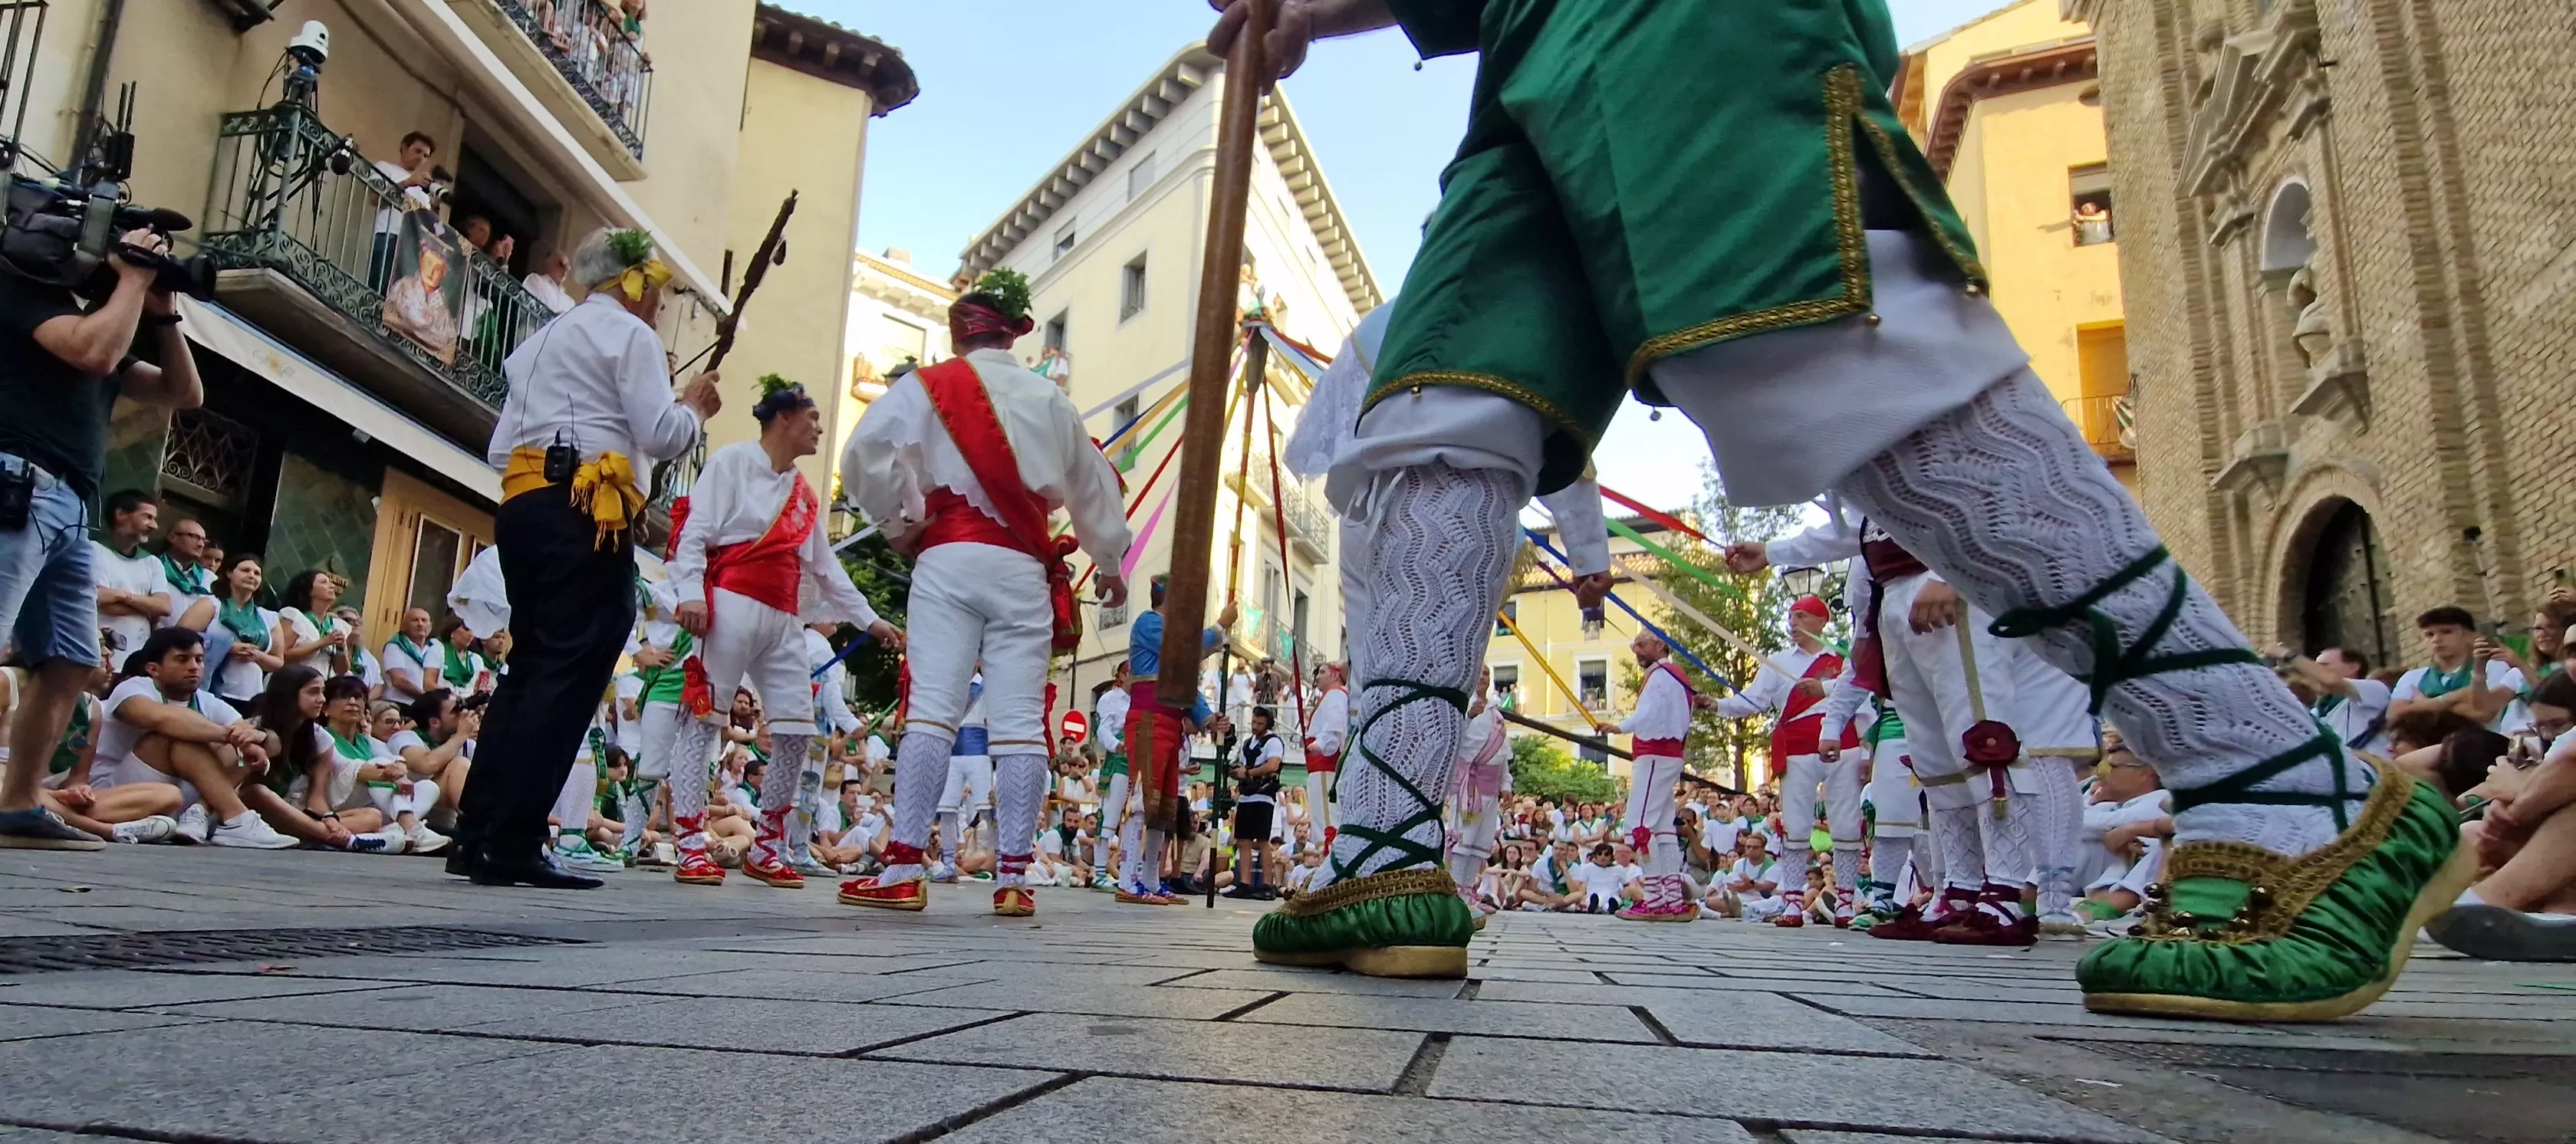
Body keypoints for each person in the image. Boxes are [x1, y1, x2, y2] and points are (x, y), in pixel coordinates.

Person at [1217, 0, 2461, 1016]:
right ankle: (1379, 849)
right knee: (1435, 410)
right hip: (1524, 50)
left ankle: (2280, 779)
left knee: (1785, 312)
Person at [836, 272, 1131, 917]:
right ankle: (1016, 878)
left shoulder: (925, 386)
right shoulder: (1049, 397)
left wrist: (903, 519)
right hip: (1022, 565)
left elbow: (863, 454)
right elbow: (1092, 481)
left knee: (934, 710)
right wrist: (1108, 561)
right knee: (1021, 723)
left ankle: (904, 869)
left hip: (947, 556)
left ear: (957, 332)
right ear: (1014, 331)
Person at [458, 225, 718, 889]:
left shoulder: (540, 339)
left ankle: (477, 833)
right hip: (583, 507)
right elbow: (660, 433)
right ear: (633, 286)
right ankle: (514, 840)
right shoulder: (630, 335)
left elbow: (498, 448)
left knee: (530, 668)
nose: (659, 305)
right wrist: (692, 408)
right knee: (568, 670)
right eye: (657, 292)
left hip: (523, 503)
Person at [663, 380, 900, 889]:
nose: (818, 428)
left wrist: (870, 619)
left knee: (798, 731)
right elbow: (695, 528)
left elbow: (826, 567)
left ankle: (768, 843)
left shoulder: (804, 495)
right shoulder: (729, 463)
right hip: (730, 603)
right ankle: (688, 842)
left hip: (783, 617)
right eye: (812, 417)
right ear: (784, 418)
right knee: (704, 723)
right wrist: (691, 594)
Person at [1710, 594, 1859, 926]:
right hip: (1796, 748)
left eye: (1802, 617)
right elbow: (1752, 701)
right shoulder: (1777, 662)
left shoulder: (1845, 659)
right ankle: (1792, 901)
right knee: (1795, 826)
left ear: (1822, 622)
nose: (1794, 624)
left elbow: (1861, 703)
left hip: (1844, 745)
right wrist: (1717, 705)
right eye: (1791, 617)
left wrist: (1867, 753)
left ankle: (1847, 900)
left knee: (1847, 824)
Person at [89, 628, 296, 848]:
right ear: (153, 669)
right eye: (182, 659)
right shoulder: (132, 688)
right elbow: (163, 720)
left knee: (248, 748)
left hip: (175, 794)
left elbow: (271, 743)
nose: (194, 666)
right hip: (114, 791)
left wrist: (258, 736)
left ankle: (201, 813)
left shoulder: (207, 700)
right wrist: (231, 736)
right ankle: (236, 818)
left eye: (199, 659)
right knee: (176, 737)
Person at [1104, 575, 1232, 906]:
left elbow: (1186, 687)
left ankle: (1149, 879)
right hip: (1147, 721)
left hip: (1170, 725)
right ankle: (1130, 880)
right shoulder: (1149, 623)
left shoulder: (1170, 636)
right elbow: (1182, 650)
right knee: (1140, 802)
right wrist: (1218, 628)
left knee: (1163, 808)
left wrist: (1208, 719)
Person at [1593, 633, 1699, 925]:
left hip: (1654, 754)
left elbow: (1648, 712)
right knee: (1663, 828)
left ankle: (1655, 899)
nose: (1636, 651)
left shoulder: (1663, 675)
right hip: (1666, 755)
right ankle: (1672, 900)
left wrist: (1619, 726)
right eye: (1634, 646)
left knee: (1639, 826)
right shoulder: (1672, 674)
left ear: (1660, 645)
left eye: (1642, 645)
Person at [2390, 607, 2528, 735]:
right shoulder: (2412, 677)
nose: (2437, 639)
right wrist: (2455, 698)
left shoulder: (2493, 666)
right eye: (2429, 635)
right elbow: (2394, 716)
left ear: (2471, 636)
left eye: (2446, 632)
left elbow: (2483, 714)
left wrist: (2425, 703)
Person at [1445, 666, 1508, 913]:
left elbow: (1503, 752)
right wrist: (1468, 716)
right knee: (1464, 839)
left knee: (1481, 841)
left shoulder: (1495, 712)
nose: (1483, 678)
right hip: (1469, 788)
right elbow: (1451, 739)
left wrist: (1506, 784)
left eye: (1487, 675)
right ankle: (1457, 892)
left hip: (1489, 789)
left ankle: (1469, 890)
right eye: (1479, 673)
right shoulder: (1461, 705)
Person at [185, 554, 282, 709]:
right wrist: (228, 647)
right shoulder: (211, 604)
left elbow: (278, 662)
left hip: (252, 695)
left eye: (257, 573)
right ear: (229, 573)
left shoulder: (269, 617)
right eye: (245, 570)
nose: (251, 576)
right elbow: (180, 636)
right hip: (211, 691)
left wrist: (257, 655)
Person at [91, 490, 173, 666]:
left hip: (137, 659)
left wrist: (122, 596)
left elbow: (164, 607)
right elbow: (102, 601)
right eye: (147, 517)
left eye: (154, 519)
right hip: (102, 656)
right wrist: (147, 608)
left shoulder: (153, 562)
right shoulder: (94, 550)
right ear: (121, 514)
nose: (154, 526)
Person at [1222, 705, 1288, 899]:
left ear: (1267, 724)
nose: (1255, 726)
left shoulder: (1273, 742)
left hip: (1263, 796)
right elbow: (1243, 765)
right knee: (1243, 840)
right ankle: (1245, 883)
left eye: (1260, 723)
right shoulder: (1248, 743)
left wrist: (1249, 773)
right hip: (1246, 796)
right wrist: (1236, 772)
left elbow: (1273, 765)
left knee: (1262, 840)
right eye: (1254, 722)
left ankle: (1267, 885)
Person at [2277, 645, 2392, 753]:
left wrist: (2288, 655)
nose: (2314, 671)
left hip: (2378, 770)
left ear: (2353, 667)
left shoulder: (2374, 688)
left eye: (2324, 665)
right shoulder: (2316, 711)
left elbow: (2330, 680)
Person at [1089, 669, 1131, 888]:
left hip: (1140, 763)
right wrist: (1117, 746)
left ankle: (1130, 873)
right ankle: (1099, 873)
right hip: (1119, 762)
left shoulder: (1143, 700)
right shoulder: (1110, 699)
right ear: (1122, 675)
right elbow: (1103, 730)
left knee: (1135, 819)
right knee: (1108, 819)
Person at [1302, 659, 1348, 849]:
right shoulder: (1332, 696)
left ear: (1335, 675)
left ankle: (1328, 855)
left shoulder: (1336, 695)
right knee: (1322, 817)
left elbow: (1335, 724)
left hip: (1325, 766)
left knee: (1327, 820)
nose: (1317, 677)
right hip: (1319, 767)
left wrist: (1320, 744)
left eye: (1322, 672)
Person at [275, 570, 354, 679]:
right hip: (293, 682)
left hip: (323, 687)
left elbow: (341, 670)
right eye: (324, 582)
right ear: (309, 591)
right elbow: (282, 655)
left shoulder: (337, 624)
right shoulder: (294, 617)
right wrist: (323, 642)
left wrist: (341, 648)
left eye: (331, 582)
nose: (332, 586)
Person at [380, 608, 446, 705]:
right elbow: (398, 681)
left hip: (427, 705)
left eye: (424, 620)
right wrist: (425, 698)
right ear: (404, 626)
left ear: (431, 626)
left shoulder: (436, 646)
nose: (420, 624)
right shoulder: (395, 646)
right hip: (400, 704)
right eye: (415, 620)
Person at [524, 250, 577, 315]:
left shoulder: (570, 302)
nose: (566, 270)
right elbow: (527, 306)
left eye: (568, 267)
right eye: (561, 264)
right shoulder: (535, 280)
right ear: (550, 263)